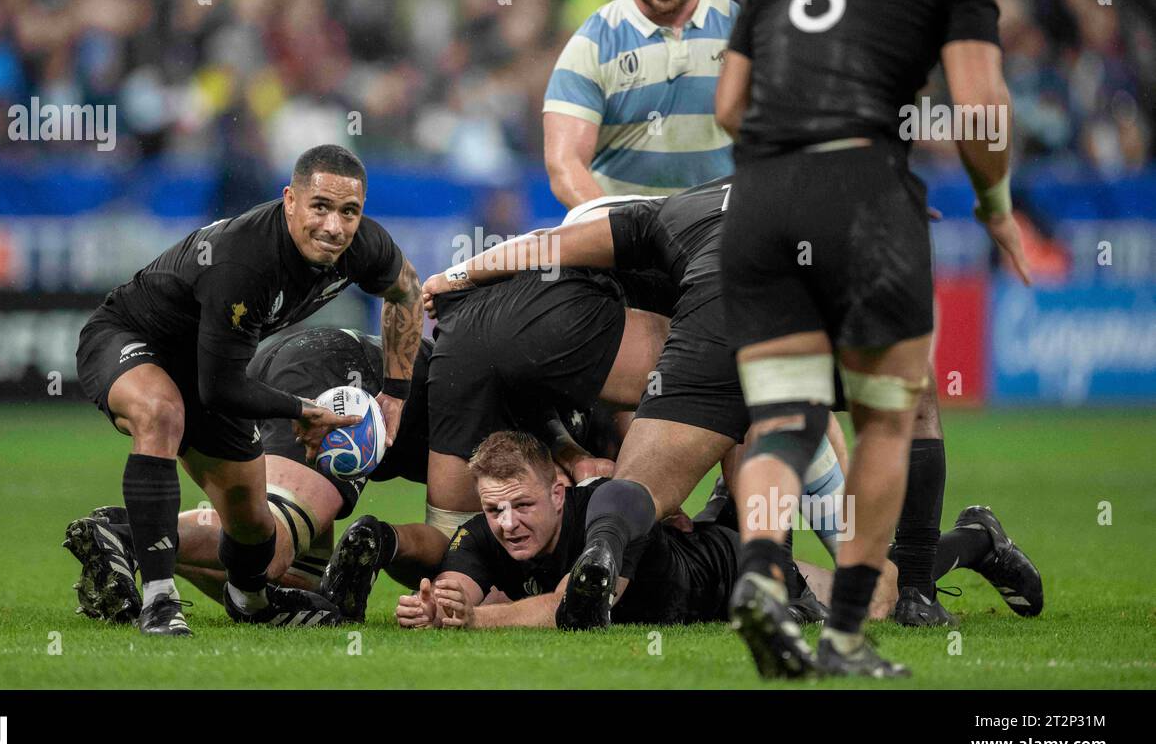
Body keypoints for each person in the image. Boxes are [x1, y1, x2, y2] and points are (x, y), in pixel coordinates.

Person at [711, 0, 1030, 677]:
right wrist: (995, 204)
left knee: (783, 419)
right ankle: (846, 635)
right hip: (863, 196)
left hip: (761, 199)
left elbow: (730, 105)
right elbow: (982, 111)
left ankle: (759, 577)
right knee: (888, 418)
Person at [420, 179, 850, 627]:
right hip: (688, 556)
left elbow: (536, 252)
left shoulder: (645, 234)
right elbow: (661, 407)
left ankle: (445, 590)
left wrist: (456, 274)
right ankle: (796, 579)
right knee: (745, 400)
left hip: (461, 330)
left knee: (451, 531)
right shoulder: (672, 257)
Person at [74, 144, 424, 635]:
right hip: (131, 337)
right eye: (320, 207)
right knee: (161, 414)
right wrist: (303, 410)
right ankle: (158, 599)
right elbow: (219, 390)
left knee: (255, 526)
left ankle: (251, 600)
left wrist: (396, 390)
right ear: (290, 201)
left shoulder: (364, 245)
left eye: (349, 212)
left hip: (210, 366)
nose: (334, 226)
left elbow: (407, 290)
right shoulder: (245, 262)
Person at [397, 434, 1043, 634]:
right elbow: (460, 585)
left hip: (732, 565)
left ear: (560, 492)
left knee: (878, 594)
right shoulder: (489, 527)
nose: (506, 524)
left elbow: (568, 605)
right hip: (703, 545)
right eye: (494, 510)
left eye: (521, 506)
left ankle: (976, 536)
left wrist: (475, 623)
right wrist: (438, 605)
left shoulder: (605, 517)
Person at [320, 266, 674, 621]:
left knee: (474, 538)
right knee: (469, 540)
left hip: (443, 386)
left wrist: (451, 281)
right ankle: (389, 548)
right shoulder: (588, 349)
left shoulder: (542, 323)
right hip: (475, 408)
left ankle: (380, 540)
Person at [64, 326, 434, 621]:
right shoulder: (480, 430)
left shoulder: (470, 392)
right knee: (272, 552)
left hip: (296, 355)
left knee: (301, 587)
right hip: (337, 379)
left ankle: (139, 532)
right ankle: (126, 537)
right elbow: (458, 554)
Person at [543, 0, 741, 206]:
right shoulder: (593, 45)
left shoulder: (739, 28)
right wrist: (620, 232)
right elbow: (564, 165)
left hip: (719, 230)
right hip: (631, 239)